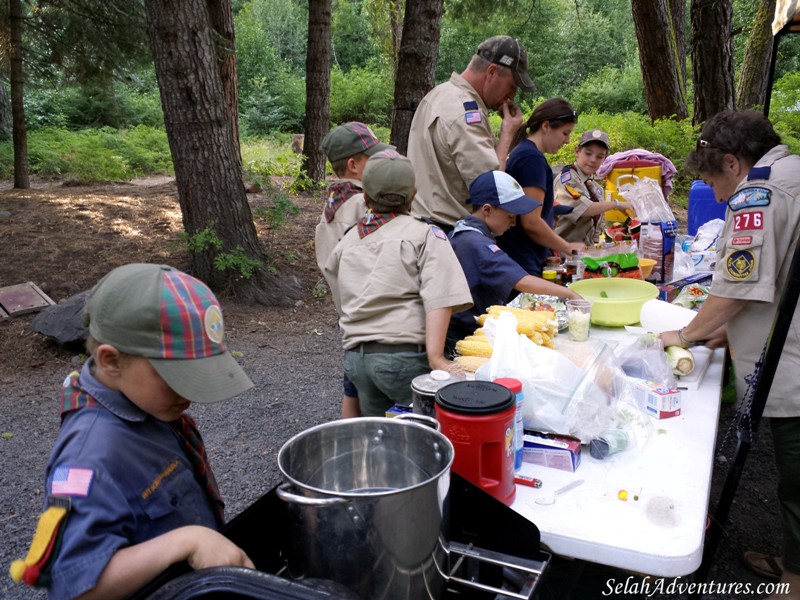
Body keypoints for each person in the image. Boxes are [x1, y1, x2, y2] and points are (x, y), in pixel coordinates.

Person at [10, 263, 255, 600]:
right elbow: (73, 587)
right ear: (111, 361)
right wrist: (187, 540)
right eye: (176, 376)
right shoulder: (89, 456)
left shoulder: (144, 403)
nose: (190, 393)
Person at [659, 110, 800, 600]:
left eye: (711, 180)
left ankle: (794, 585)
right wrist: (727, 333)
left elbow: (739, 285)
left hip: (796, 365)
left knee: (798, 476)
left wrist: (687, 332)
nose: (716, 195)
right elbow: (780, 274)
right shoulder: (793, 171)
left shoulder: (757, 194)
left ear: (734, 164)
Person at [323, 150, 473, 417]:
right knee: (423, 433)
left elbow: (341, 299)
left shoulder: (346, 242)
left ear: (365, 196)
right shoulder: (425, 235)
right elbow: (440, 297)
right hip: (403, 358)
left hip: (358, 360)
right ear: (414, 193)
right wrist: (436, 357)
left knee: (380, 434)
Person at [407, 35, 532, 229]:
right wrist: (507, 134)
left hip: (422, 226)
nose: (512, 95)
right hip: (450, 234)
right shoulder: (466, 114)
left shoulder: (437, 95)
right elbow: (491, 188)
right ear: (491, 72)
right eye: (512, 85)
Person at [447, 170, 582, 347]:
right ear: (487, 209)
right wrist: (570, 294)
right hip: (463, 335)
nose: (513, 223)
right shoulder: (476, 243)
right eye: (510, 217)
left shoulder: (465, 232)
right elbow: (522, 281)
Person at [316, 121, 392, 419]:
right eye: (374, 157)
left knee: (353, 381)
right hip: (373, 311)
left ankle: (348, 437)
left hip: (348, 310)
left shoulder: (334, 202)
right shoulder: (364, 204)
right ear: (354, 165)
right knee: (377, 390)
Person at [497, 98, 586, 277]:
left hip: (518, 256)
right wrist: (566, 247)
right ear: (546, 126)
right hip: (523, 259)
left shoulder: (523, 152)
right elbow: (531, 221)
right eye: (565, 133)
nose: (567, 141)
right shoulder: (532, 159)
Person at [553, 128, 635, 246]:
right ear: (577, 151)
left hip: (584, 253)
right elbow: (584, 208)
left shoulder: (596, 187)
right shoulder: (568, 178)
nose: (593, 160)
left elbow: (596, 226)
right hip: (562, 250)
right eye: (588, 153)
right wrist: (616, 204)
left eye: (599, 156)